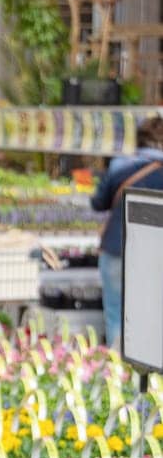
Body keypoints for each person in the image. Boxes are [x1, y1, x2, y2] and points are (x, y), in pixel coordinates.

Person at [91, 114, 163, 348]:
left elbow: (98, 203)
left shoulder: (121, 165)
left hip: (115, 247)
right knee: (152, 314)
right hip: (153, 255)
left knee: (115, 313)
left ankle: (117, 374)